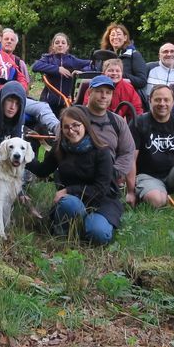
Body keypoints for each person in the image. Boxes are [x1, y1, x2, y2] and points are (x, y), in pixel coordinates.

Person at [27, 105, 122, 245]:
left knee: (98, 234)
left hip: (102, 202)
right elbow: (42, 170)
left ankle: (87, 226)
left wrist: (68, 190)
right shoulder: (60, 148)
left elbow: (101, 189)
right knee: (69, 204)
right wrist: (22, 155)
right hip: (72, 203)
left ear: (85, 125)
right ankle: (63, 236)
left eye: (75, 125)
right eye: (66, 127)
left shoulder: (102, 152)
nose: (71, 131)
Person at [82, 76, 138, 207]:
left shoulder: (117, 121)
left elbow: (128, 151)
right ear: (90, 92)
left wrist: (113, 173)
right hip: (79, 176)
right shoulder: (75, 115)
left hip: (108, 179)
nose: (104, 96)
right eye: (99, 91)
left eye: (108, 93)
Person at [32, 33, 92, 114]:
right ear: (53, 46)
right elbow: (35, 66)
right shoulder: (48, 58)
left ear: (67, 46)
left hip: (66, 102)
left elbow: (91, 64)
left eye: (63, 43)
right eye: (57, 43)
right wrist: (57, 69)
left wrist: (81, 71)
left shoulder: (72, 60)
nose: (60, 45)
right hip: (47, 102)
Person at [99, 23, 148, 91]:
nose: (115, 37)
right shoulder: (103, 56)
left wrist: (118, 74)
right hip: (106, 94)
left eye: (118, 34)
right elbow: (97, 75)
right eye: (112, 35)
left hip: (127, 95)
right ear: (109, 37)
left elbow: (142, 81)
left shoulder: (134, 55)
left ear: (125, 38)